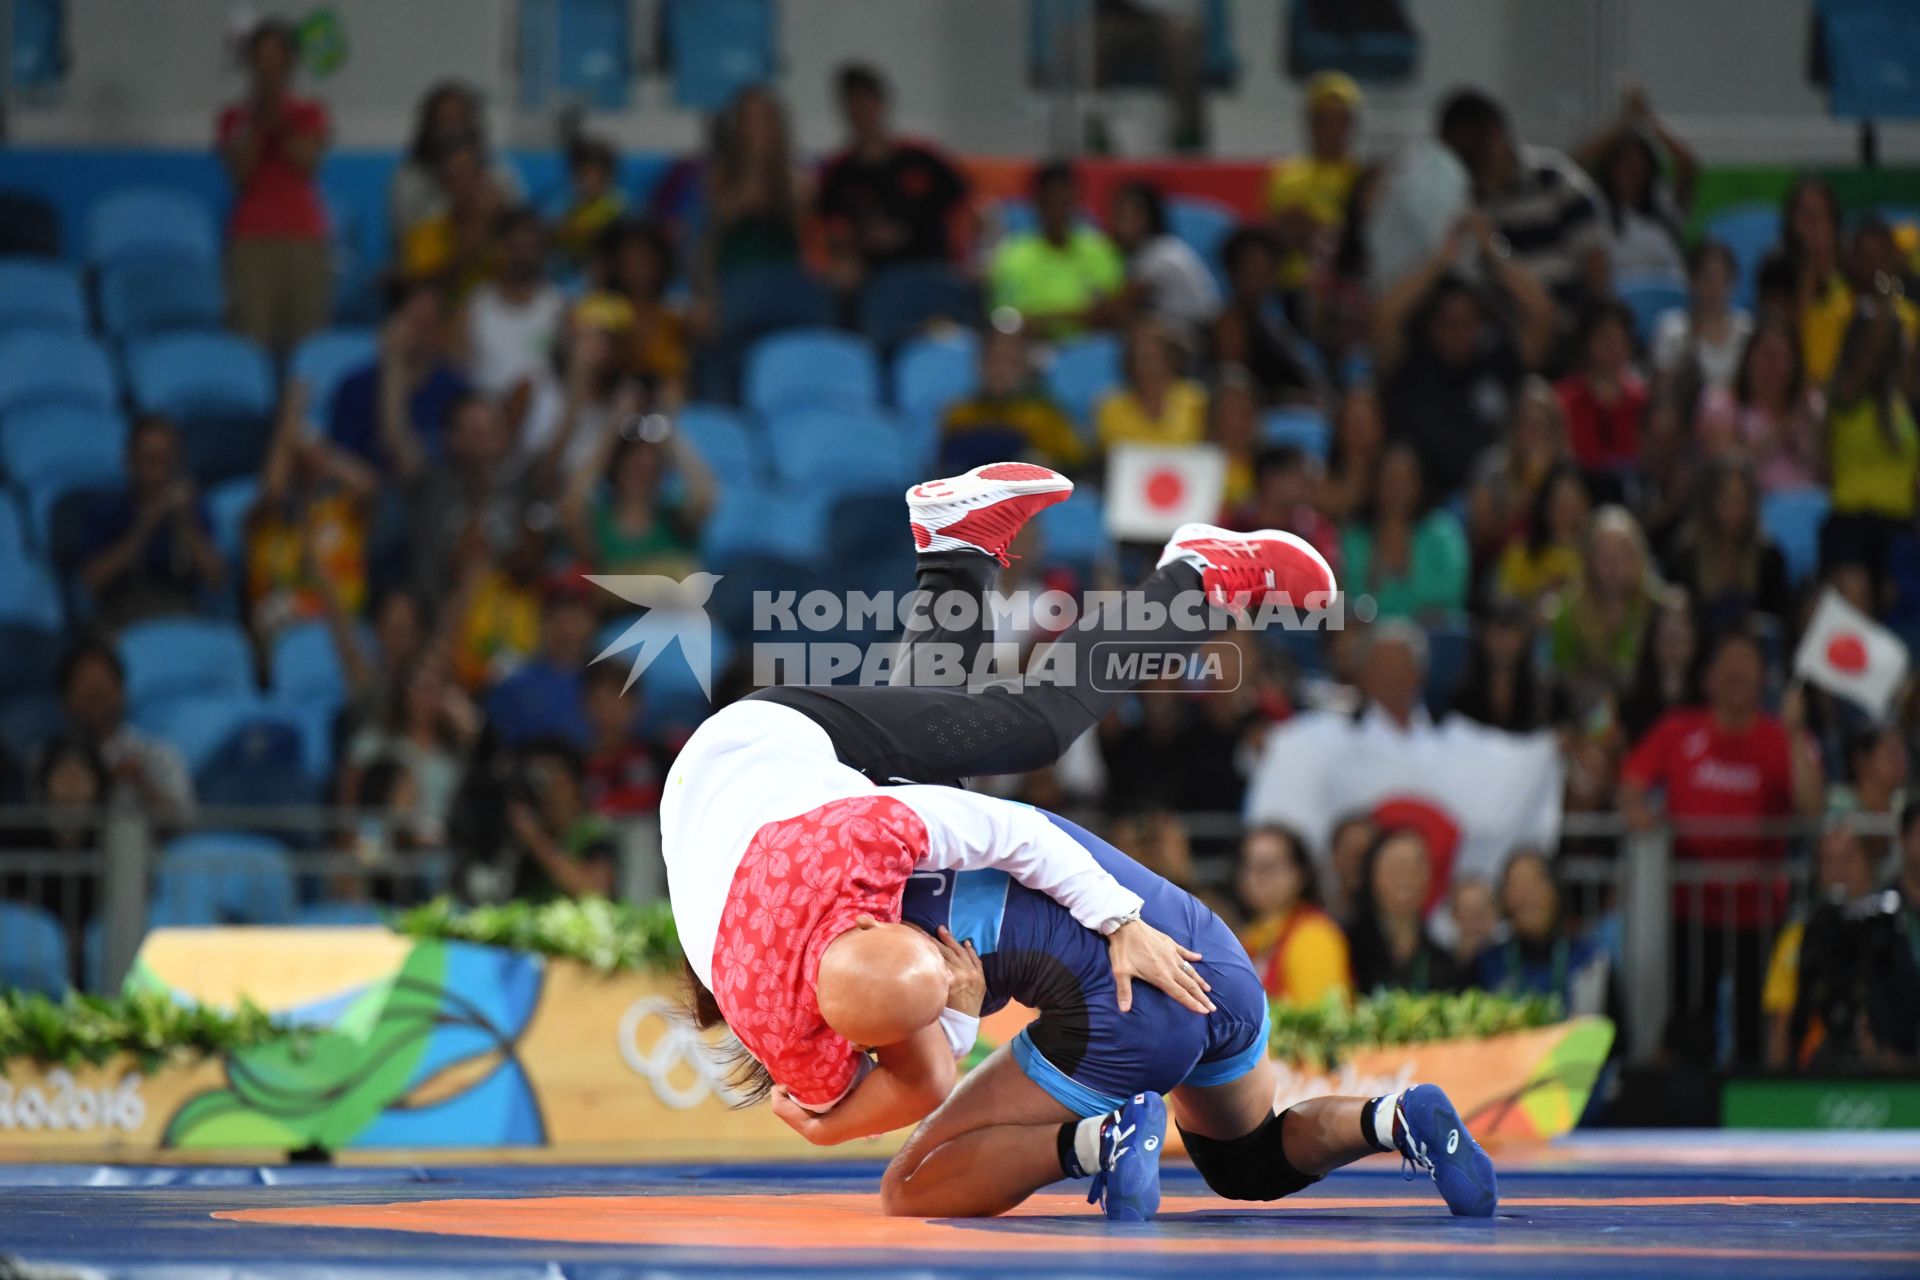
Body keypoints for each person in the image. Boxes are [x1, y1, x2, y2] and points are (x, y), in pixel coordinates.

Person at [663, 463, 1335, 1157]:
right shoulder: (787, 1032)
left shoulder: (860, 839)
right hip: (715, 812)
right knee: (934, 758)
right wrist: (948, 1016)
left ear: (869, 918)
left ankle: (1196, 575)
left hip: (768, 742)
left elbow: (1018, 830)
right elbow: (920, 1074)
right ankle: (957, 547)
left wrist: (1119, 918)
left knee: (1035, 729)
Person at [1619, 624, 1825, 1063]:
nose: (1736, 673)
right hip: (1690, 911)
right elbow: (1630, 784)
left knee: (1756, 1026)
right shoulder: (1678, 730)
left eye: (1747, 666)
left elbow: (1811, 809)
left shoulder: (1780, 738)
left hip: (1761, 912)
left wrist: (1793, 735)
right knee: (1690, 1024)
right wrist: (1637, 809)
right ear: (1708, 677)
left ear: (1764, 679)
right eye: (1727, 664)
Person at [1374, 212, 1556, 498]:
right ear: (1431, 325)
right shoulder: (1410, 363)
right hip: (1421, 509)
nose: (1458, 333)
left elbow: (1542, 315)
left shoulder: (1497, 360)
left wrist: (1492, 251)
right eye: (1448, 323)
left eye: (1467, 324)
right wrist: (1438, 262)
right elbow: (1384, 317)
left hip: (1495, 499)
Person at [1438, 88, 1610, 316]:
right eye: (1461, 153)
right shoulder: (1461, 203)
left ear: (1498, 134)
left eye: (1477, 148)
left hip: (1570, 320)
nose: (1472, 161)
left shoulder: (1553, 179)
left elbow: (1594, 257)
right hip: (1508, 336)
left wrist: (1591, 324)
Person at [215, 18, 331, 353]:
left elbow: (306, 165)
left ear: (291, 62)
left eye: (277, 56)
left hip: (305, 236)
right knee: (250, 338)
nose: (269, 66)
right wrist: (258, 121)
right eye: (262, 56)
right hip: (251, 238)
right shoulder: (233, 118)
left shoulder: (310, 112)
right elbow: (241, 174)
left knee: (309, 339)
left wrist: (280, 118)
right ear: (249, 63)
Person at [244, 382, 377, 642]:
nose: (302, 464)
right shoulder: (264, 518)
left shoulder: (340, 511)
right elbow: (272, 491)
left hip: (342, 624)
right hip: (282, 628)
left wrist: (318, 452)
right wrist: (288, 425)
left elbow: (369, 486)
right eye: (294, 458)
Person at [816, 62, 970, 285]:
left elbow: (967, 209)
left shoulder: (923, 158)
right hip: (870, 279)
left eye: (866, 103)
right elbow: (833, 234)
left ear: (881, 104)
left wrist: (962, 257)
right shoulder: (839, 171)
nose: (861, 113)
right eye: (853, 105)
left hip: (931, 268)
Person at [77, 417, 225, 627]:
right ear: (130, 461)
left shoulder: (192, 510)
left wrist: (186, 523)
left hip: (181, 612)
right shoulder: (106, 509)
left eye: (166, 461)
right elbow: (91, 583)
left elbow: (216, 580)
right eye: (149, 460)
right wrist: (146, 525)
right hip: (122, 614)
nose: (158, 471)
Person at [1764, 825, 1892, 1068]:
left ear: (1869, 864)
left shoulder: (1892, 929)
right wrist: (1776, 1084)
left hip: (1887, 1071)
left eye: (1848, 859)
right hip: (1815, 1069)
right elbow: (1782, 1023)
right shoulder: (1797, 938)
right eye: (1829, 862)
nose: (1839, 872)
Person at [1820, 294, 1918, 594]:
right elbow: (1868, 358)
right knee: (1855, 591)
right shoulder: (1844, 394)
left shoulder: (1904, 401)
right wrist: (1886, 303)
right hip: (1851, 529)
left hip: (1900, 528)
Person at [329, 279, 471, 477]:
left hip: (433, 496)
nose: (420, 335)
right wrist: (392, 364)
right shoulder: (355, 387)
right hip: (366, 494)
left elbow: (413, 463)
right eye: (414, 322)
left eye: (428, 324)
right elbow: (340, 457)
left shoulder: (455, 390)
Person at [339, 653, 478, 850]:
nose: (427, 694)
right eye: (420, 684)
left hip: (443, 851)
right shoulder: (376, 740)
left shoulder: (454, 751)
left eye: (435, 686)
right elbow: (349, 803)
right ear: (404, 689)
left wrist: (469, 737)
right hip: (385, 850)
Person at [50, 641, 194, 821]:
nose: (94, 697)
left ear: (122, 691)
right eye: (85, 688)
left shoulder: (157, 754)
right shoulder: (45, 759)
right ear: (65, 699)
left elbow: (183, 825)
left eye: (102, 688)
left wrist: (140, 783)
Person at [1542, 506, 1663, 716]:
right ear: (1589, 561)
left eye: (1623, 555)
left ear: (1638, 558)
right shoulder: (1567, 612)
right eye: (1605, 557)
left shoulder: (1660, 608)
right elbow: (1563, 683)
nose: (1614, 566)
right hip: (1585, 716)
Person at [558, 419, 714, 580]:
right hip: (614, 604)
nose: (642, 475)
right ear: (616, 469)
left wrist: (665, 425)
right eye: (633, 467)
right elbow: (570, 506)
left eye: (651, 469)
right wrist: (613, 428)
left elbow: (705, 495)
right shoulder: (598, 525)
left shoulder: (674, 520)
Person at [1572, 85, 1695, 285]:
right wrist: (1623, 122)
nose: (1630, 173)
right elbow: (1573, 163)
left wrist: (1648, 117)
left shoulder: (1664, 204)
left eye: (1638, 166)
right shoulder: (1596, 206)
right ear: (1609, 167)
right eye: (1623, 164)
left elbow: (1688, 164)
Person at [463, 207, 565, 443]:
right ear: (498, 248)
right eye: (513, 247)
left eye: (529, 248)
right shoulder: (474, 307)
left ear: (542, 251)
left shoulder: (559, 308)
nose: (521, 256)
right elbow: (457, 375)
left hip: (544, 439)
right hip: (490, 437)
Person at [988, 162, 1123, 340]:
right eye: (1053, 199)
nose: (1060, 208)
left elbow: (1114, 313)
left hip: (1091, 348)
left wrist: (1046, 318)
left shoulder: (1101, 251)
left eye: (1066, 200)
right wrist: (1080, 316)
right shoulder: (1012, 257)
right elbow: (1010, 322)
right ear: (1039, 202)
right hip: (1034, 350)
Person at [1339, 441, 1469, 622]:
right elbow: (1350, 598)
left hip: (1432, 635)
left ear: (1419, 485)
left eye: (1404, 482)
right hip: (1367, 639)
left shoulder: (1444, 534)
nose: (1396, 491)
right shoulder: (1354, 537)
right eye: (1389, 482)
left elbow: (1450, 598)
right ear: (1374, 485)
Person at [1474, 850, 1611, 1017]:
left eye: (1535, 882)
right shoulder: (1487, 964)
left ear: (1555, 890)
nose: (1528, 895)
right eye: (1517, 885)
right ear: (1504, 897)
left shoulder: (1591, 962)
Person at [1265, 72, 1364, 302]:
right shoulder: (1287, 175)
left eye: (1341, 120)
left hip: (1349, 292)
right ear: (1310, 123)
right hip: (1294, 287)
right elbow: (1284, 232)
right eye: (1324, 120)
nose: (1333, 129)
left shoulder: (1362, 177)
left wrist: (1314, 228)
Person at [389, 81, 524, 247]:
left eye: (460, 120)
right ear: (428, 129)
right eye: (444, 122)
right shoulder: (408, 183)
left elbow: (519, 233)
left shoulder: (500, 176)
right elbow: (405, 247)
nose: (453, 130)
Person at [1664, 458, 1791, 632]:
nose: (1734, 509)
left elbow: (1779, 620)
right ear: (1709, 503)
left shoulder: (1769, 556)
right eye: (1726, 500)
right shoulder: (1685, 556)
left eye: (1740, 500)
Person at [937, 322, 1083, 473]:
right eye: (993, 361)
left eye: (1010, 362)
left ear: (1026, 368)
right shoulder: (959, 414)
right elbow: (944, 469)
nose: (1000, 371)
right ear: (979, 366)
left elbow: (1072, 465)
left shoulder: (1044, 416)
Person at [1698, 318, 1820, 492]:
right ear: (1748, 358)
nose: (1772, 367)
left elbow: (1825, 468)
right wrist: (1781, 431)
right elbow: (1722, 468)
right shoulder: (1722, 403)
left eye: (1781, 357)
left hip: (1806, 507)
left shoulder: (1810, 407)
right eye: (1766, 356)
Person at [1234, 824, 1351, 1005]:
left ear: (1300, 874)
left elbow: (1319, 1022)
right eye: (1249, 865)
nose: (1257, 876)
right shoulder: (1251, 936)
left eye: (1269, 866)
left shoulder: (1315, 935)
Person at [484, 574, 600, 750]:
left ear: (591, 623)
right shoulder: (514, 684)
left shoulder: (607, 683)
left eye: (575, 617)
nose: (567, 628)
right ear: (543, 621)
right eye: (557, 616)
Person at [703, 85, 805, 282]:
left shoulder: (793, 176)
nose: (757, 130)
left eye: (763, 120)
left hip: (784, 276)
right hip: (736, 276)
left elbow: (800, 219)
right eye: (750, 121)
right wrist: (754, 164)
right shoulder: (720, 175)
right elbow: (724, 217)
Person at [1210, 227, 1321, 406]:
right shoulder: (1227, 326)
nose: (1258, 278)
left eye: (1265, 270)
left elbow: (1305, 378)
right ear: (1233, 272)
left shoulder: (1276, 328)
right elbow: (1232, 388)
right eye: (1251, 269)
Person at [1466, 378, 1571, 565]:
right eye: (1527, 425)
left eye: (1542, 425)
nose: (1534, 435)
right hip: (1501, 566)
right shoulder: (1491, 467)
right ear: (1514, 428)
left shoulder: (1566, 472)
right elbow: (1481, 536)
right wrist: (1529, 485)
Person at [1346, 827, 1461, 995]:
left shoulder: (1443, 960)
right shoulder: (1346, 947)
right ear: (1371, 874)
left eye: (1417, 864)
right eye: (1395, 865)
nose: (1406, 875)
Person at [1107, 180, 1220, 342]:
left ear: (1148, 218)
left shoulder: (1160, 255)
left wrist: (1064, 314)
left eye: (1126, 215)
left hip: (1197, 339)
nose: (1116, 223)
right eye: (1116, 214)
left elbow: (1114, 311)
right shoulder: (1143, 254)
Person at [506, 740, 617, 900]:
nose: (542, 789)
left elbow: (594, 890)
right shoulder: (521, 831)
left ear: (573, 784)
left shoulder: (594, 831)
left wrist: (536, 840)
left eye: (548, 776)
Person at [397, 137, 507, 297]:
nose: (465, 186)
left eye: (471, 175)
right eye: (456, 178)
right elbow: (421, 291)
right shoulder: (425, 234)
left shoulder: (503, 233)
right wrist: (466, 252)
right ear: (445, 185)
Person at [1555, 299, 1646, 489]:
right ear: (1587, 342)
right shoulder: (1563, 400)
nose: (1612, 347)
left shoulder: (1643, 399)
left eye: (1619, 338)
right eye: (1605, 338)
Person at [1096, 315, 1208, 450]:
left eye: (1153, 357)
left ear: (1171, 359)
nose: (1148, 366)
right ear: (1129, 362)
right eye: (1140, 357)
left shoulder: (1196, 401)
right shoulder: (1110, 407)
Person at [1654, 241, 1752, 394]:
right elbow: (1663, 391)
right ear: (1692, 281)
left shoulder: (1747, 328)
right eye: (1707, 278)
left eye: (1721, 278)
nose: (1714, 286)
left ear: (1732, 282)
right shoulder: (1671, 329)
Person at [1225, 443, 1340, 575]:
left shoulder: (1315, 530)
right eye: (1296, 473)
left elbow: (1330, 581)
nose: (1306, 481)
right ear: (1270, 479)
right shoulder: (1232, 528)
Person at [1492, 462, 1590, 608]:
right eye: (1559, 504)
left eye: (1573, 504)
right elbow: (1503, 607)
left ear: (1586, 506)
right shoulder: (1520, 554)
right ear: (1545, 507)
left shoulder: (1596, 558)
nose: (1566, 514)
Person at [580, 662, 669, 816]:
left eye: (617, 700)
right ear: (585, 705)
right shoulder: (575, 765)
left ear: (636, 705)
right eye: (600, 700)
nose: (608, 710)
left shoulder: (660, 759)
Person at [1450, 601, 1553, 733]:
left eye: (1511, 636)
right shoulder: (1462, 693)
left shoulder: (1548, 695)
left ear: (1525, 640)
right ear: (1483, 639)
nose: (1504, 644)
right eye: (1497, 635)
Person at [1616, 589, 1700, 743]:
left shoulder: (1710, 693)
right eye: (1666, 636)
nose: (1673, 645)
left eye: (1680, 636)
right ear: (1652, 638)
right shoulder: (1629, 692)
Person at [1314, 387, 1386, 524]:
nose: (1358, 431)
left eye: (1364, 423)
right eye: (1351, 422)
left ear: (1380, 426)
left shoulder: (1395, 475)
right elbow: (1329, 505)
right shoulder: (1320, 474)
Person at [553, 135, 626, 268]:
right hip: (568, 268)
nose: (589, 181)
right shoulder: (564, 203)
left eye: (596, 174)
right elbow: (555, 235)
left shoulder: (618, 205)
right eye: (584, 174)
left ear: (608, 176)